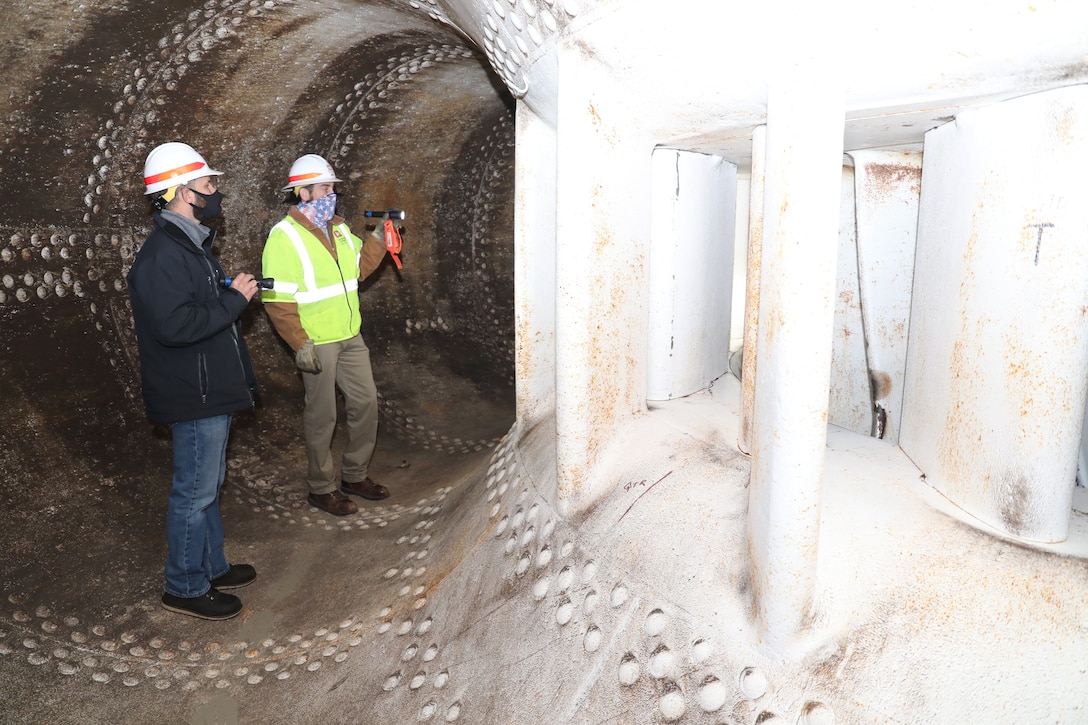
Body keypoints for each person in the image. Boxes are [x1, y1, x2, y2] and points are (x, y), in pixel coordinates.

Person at [126, 142, 261, 620]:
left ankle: (211, 565)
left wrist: (225, 294)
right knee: (195, 491)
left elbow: (193, 311)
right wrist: (234, 302)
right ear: (182, 192)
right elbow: (175, 326)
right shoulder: (163, 254)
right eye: (208, 184)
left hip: (208, 387)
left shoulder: (191, 245)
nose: (215, 191)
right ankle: (183, 585)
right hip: (193, 393)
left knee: (210, 484)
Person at [261, 153, 393, 516]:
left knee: (365, 403)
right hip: (317, 340)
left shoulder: (339, 228)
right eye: (324, 188)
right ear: (303, 193)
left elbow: (358, 271)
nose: (331, 194)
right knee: (322, 415)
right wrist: (299, 342)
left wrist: (379, 239)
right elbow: (277, 297)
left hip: (350, 335)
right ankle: (321, 488)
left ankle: (355, 475)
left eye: (333, 188)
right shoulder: (284, 237)